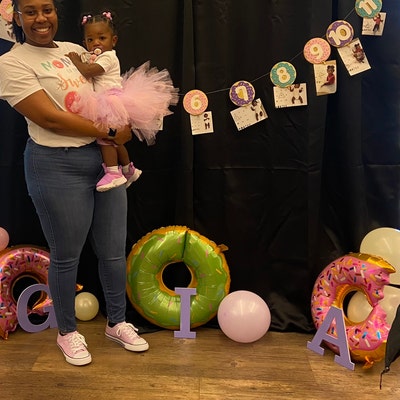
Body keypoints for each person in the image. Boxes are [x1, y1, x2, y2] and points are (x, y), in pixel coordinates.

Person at [0, 0, 149, 366]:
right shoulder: (11, 62)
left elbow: (107, 88)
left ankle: (117, 322)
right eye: (30, 11)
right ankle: (67, 331)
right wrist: (112, 129)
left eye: (47, 9)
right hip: (56, 165)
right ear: (16, 17)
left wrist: (120, 122)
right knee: (67, 256)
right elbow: (50, 118)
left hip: (101, 159)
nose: (41, 18)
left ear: (56, 13)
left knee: (113, 251)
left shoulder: (74, 51)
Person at [66, 11, 179, 191]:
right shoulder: (98, 56)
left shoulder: (108, 57)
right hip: (109, 99)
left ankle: (113, 173)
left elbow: (88, 72)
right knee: (115, 141)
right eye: (90, 40)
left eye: (101, 38)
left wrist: (75, 60)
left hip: (110, 101)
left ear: (114, 40)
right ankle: (128, 169)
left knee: (105, 139)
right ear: (84, 43)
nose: (96, 43)